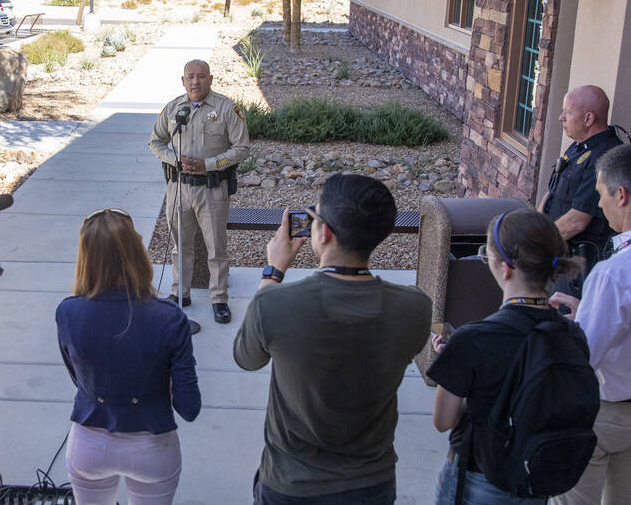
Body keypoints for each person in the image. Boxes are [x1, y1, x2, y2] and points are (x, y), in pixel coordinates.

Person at [233, 173, 431, 504]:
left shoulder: (276, 303)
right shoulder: (415, 308)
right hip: (372, 484)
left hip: (291, 485)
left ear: (324, 233)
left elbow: (247, 357)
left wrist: (273, 272)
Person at [427, 209, 589, 504]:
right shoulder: (573, 334)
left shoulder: (472, 339)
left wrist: (455, 369)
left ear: (505, 268)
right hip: (536, 480)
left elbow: (443, 420)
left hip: (479, 478)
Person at [56, 208, 201, 505]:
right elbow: (189, 407)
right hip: (153, 446)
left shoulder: (68, 312)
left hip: (89, 443)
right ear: (138, 253)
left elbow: (79, 379)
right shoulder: (169, 317)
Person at [549, 144, 631, 505]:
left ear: (622, 195)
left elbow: (585, 357)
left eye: (601, 194)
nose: (599, 205)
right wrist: (587, 307)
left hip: (607, 413)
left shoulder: (613, 274)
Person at [148, 59, 250, 323]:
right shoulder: (173, 109)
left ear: (211, 79)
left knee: (216, 247)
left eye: (201, 76)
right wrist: (174, 160)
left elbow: (242, 148)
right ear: (183, 81)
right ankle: (180, 293)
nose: (195, 81)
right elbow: (155, 141)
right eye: (190, 77)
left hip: (213, 189)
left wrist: (209, 164)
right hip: (179, 187)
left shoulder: (227, 109)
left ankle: (218, 299)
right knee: (180, 245)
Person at [540, 85, 624, 285]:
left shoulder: (605, 157)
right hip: (556, 253)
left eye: (567, 112)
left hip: (577, 269)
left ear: (588, 119)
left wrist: (536, 244)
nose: (561, 117)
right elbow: (552, 193)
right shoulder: (580, 146)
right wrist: (535, 226)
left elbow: (577, 220)